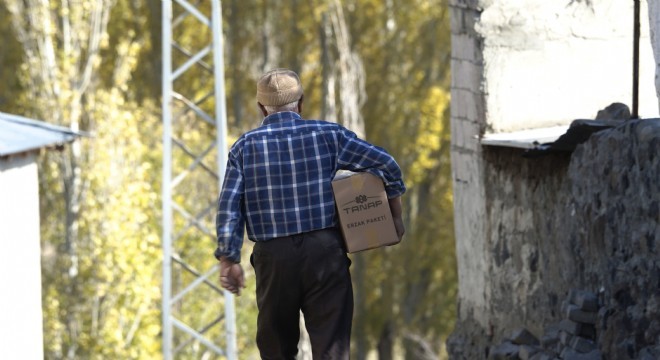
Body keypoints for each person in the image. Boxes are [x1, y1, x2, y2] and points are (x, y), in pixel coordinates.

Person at [215, 68, 406, 359]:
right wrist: (394, 217)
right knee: (332, 348)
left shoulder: (244, 147)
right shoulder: (329, 135)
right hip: (325, 254)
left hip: (273, 258)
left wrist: (229, 259)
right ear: (300, 102)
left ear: (261, 108)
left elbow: (229, 206)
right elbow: (387, 164)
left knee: (277, 348)